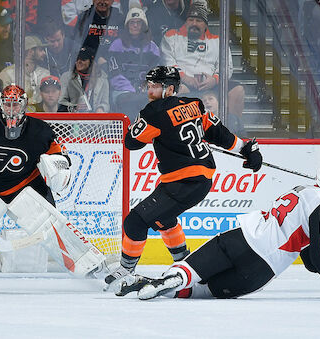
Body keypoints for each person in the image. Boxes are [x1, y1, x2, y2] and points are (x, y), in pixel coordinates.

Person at [103, 66, 263, 291]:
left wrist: (142, 125)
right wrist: (246, 149)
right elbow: (218, 133)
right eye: (148, 86)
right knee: (164, 220)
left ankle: (126, 271)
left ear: (169, 89)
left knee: (135, 222)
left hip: (183, 181)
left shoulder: (153, 112)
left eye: (155, 86)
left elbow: (132, 143)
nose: (150, 91)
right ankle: (186, 265)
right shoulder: (194, 104)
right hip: (198, 179)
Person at [133, 160, 320, 302]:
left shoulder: (301, 191)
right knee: (203, 292)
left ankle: (170, 279)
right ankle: (177, 289)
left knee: (189, 270)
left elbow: (312, 259)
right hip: (261, 268)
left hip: (241, 238)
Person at [160, 4, 246, 136]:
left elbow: (227, 67)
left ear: (205, 24)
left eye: (199, 21)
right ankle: (177, 135)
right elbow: (167, 62)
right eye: (191, 20)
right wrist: (185, 78)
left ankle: (232, 134)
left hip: (212, 84)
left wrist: (214, 79)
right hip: (184, 83)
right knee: (176, 90)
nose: (194, 23)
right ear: (186, 21)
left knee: (237, 90)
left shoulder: (218, 40)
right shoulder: (172, 36)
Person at [107, 6, 160, 121]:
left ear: (143, 26)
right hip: (122, 91)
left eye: (138, 23)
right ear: (127, 26)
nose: (135, 25)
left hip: (145, 91)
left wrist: (144, 88)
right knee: (130, 102)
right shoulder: (117, 45)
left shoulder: (153, 48)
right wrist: (131, 89)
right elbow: (114, 74)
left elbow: (155, 74)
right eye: (132, 23)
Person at [0, 35, 50, 106]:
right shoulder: (7, 74)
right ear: (31, 51)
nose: (44, 53)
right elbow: (4, 102)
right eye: (40, 50)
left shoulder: (45, 74)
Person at [58, 46, 109, 112]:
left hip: (95, 119)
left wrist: (101, 109)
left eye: (83, 59)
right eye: (77, 58)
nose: (79, 61)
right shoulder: (66, 77)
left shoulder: (103, 78)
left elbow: (106, 103)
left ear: (91, 61)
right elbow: (60, 101)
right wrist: (73, 106)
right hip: (73, 118)